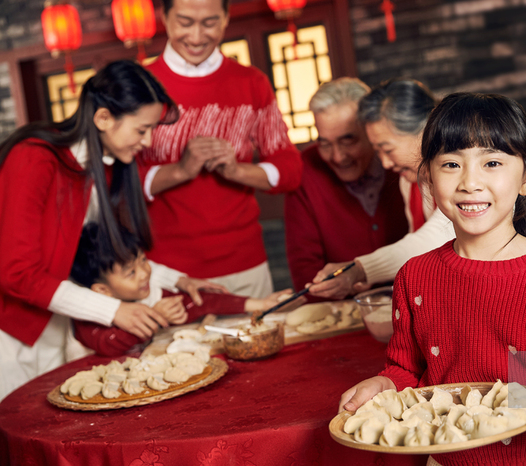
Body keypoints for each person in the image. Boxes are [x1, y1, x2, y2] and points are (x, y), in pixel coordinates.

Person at [338, 93, 526, 466]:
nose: (470, 182)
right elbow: (408, 369)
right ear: (427, 177)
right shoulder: (415, 276)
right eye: (451, 164)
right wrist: (385, 384)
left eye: (491, 162)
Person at [0, 60, 211, 400]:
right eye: (141, 130)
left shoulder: (108, 166)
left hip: (59, 325)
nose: (147, 141)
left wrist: (176, 280)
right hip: (11, 335)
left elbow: (107, 255)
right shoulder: (34, 159)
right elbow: (16, 274)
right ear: (102, 118)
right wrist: (115, 311)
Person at [307, 79, 526, 300]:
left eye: (387, 149)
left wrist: (361, 268)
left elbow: (435, 237)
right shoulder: (410, 181)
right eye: (377, 152)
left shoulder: (470, 179)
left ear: (424, 132)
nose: (385, 162)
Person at [138, 0, 303, 298]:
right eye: (186, 22)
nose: (198, 36)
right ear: (164, 17)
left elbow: (290, 169)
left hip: (245, 264)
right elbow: (113, 181)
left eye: (210, 22)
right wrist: (181, 170)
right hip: (168, 271)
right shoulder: (139, 85)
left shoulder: (252, 82)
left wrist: (236, 169)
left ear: (226, 18)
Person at [70, 223, 292, 356]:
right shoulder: (88, 313)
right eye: (131, 272)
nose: (145, 272)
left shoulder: (154, 291)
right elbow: (107, 345)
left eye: (144, 260)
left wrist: (261, 304)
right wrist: (156, 318)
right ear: (102, 290)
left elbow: (201, 301)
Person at [284, 78, 408, 294]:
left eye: (348, 141)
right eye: (325, 143)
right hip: (344, 310)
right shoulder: (305, 170)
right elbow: (305, 271)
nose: (338, 157)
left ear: (371, 131)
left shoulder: (403, 164)